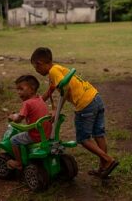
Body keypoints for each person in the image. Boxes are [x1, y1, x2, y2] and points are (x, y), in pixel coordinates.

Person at [30, 47, 119, 178]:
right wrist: (39, 101)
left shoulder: (53, 71)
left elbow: (65, 88)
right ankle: (103, 168)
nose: (37, 71)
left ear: (39, 63)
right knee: (98, 135)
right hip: (95, 98)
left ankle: (108, 160)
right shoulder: (58, 68)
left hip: (85, 104)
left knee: (83, 139)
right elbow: (52, 89)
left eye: (36, 68)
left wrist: (56, 111)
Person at [7, 75, 51, 170]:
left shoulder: (27, 103)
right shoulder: (39, 99)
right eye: (17, 89)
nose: (18, 92)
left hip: (35, 135)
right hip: (46, 134)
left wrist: (12, 117)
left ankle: (18, 163)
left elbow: (18, 119)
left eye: (21, 89)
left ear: (32, 89)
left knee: (14, 140)